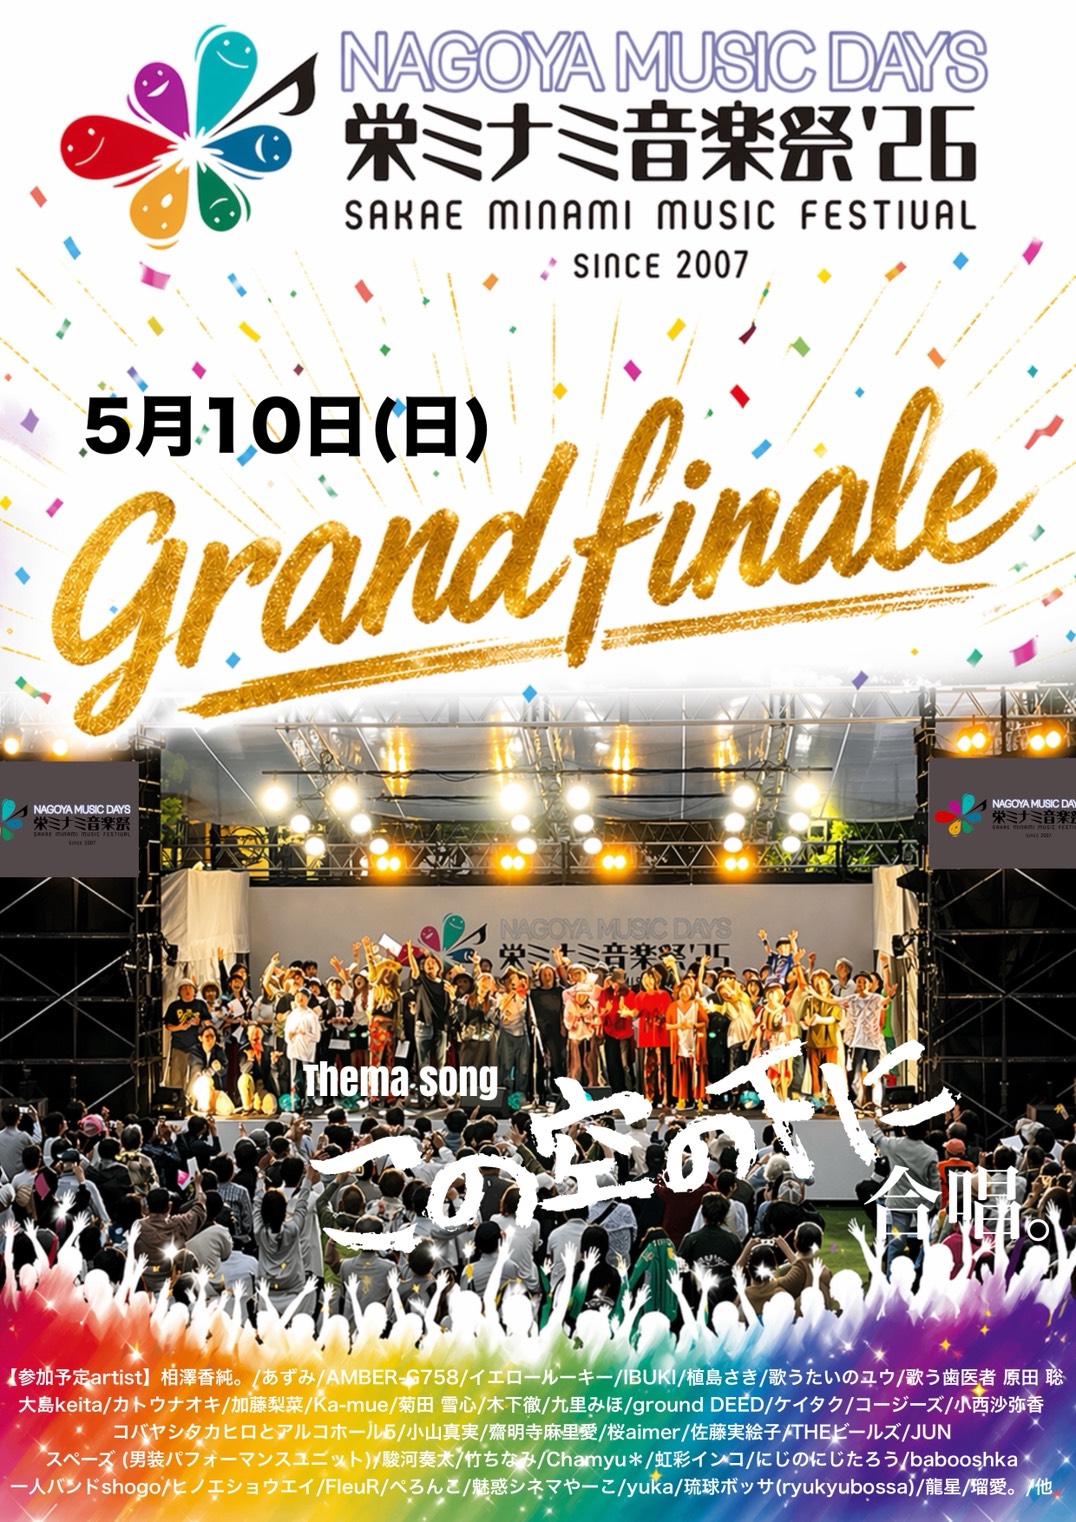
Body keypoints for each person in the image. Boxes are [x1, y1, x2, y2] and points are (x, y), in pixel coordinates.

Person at [284, 987, 321, 1114]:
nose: (300, 999)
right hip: (294, 1051)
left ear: (307, 999)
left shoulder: (311, 1016)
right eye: (298, 996)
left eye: (303, 996)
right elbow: (287, 1035)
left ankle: (309, 1103)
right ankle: (297, 1102)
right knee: (296, 1078)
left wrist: (305, 1034)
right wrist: (291, 1035)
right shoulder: (291, 1015)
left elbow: (317, 1037)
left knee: (310, 1078)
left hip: (307, 1052)